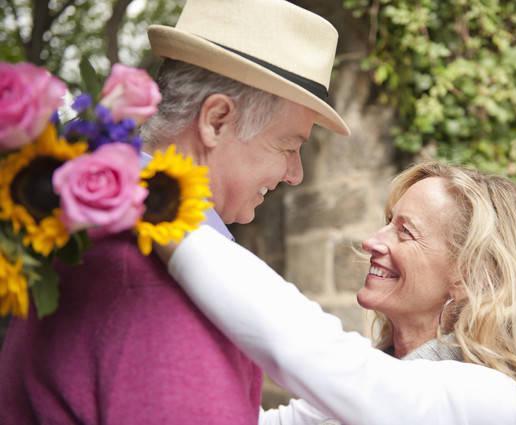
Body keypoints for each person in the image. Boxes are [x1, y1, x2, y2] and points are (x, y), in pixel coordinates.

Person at [0, 0, 349, 423]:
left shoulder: (91, 233)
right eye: (289, 146)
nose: (295, 174)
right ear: (216, 120)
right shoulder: (155, 282)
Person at [159, 162, 516, 425]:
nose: (371, 241)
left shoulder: (492, 401)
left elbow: (309, 353)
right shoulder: (378, 373)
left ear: (470, 278)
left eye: (405, 231)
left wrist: (162, 210)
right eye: (387, 222)